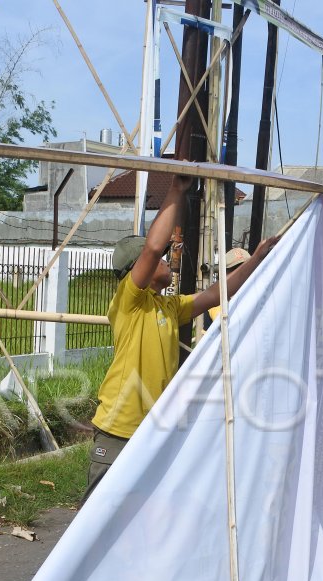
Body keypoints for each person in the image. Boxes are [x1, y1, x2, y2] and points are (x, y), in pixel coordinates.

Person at [84, 177, 277, 501]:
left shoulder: (168, 306)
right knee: (94, 518)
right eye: (159, 262)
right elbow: (153, 247)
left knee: (141, 516)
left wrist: (257, 258)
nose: (165, 261)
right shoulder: (129, 301)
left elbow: (216, 294)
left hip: (152, 430)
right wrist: (176, 190)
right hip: (119, 429)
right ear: (137, 269)